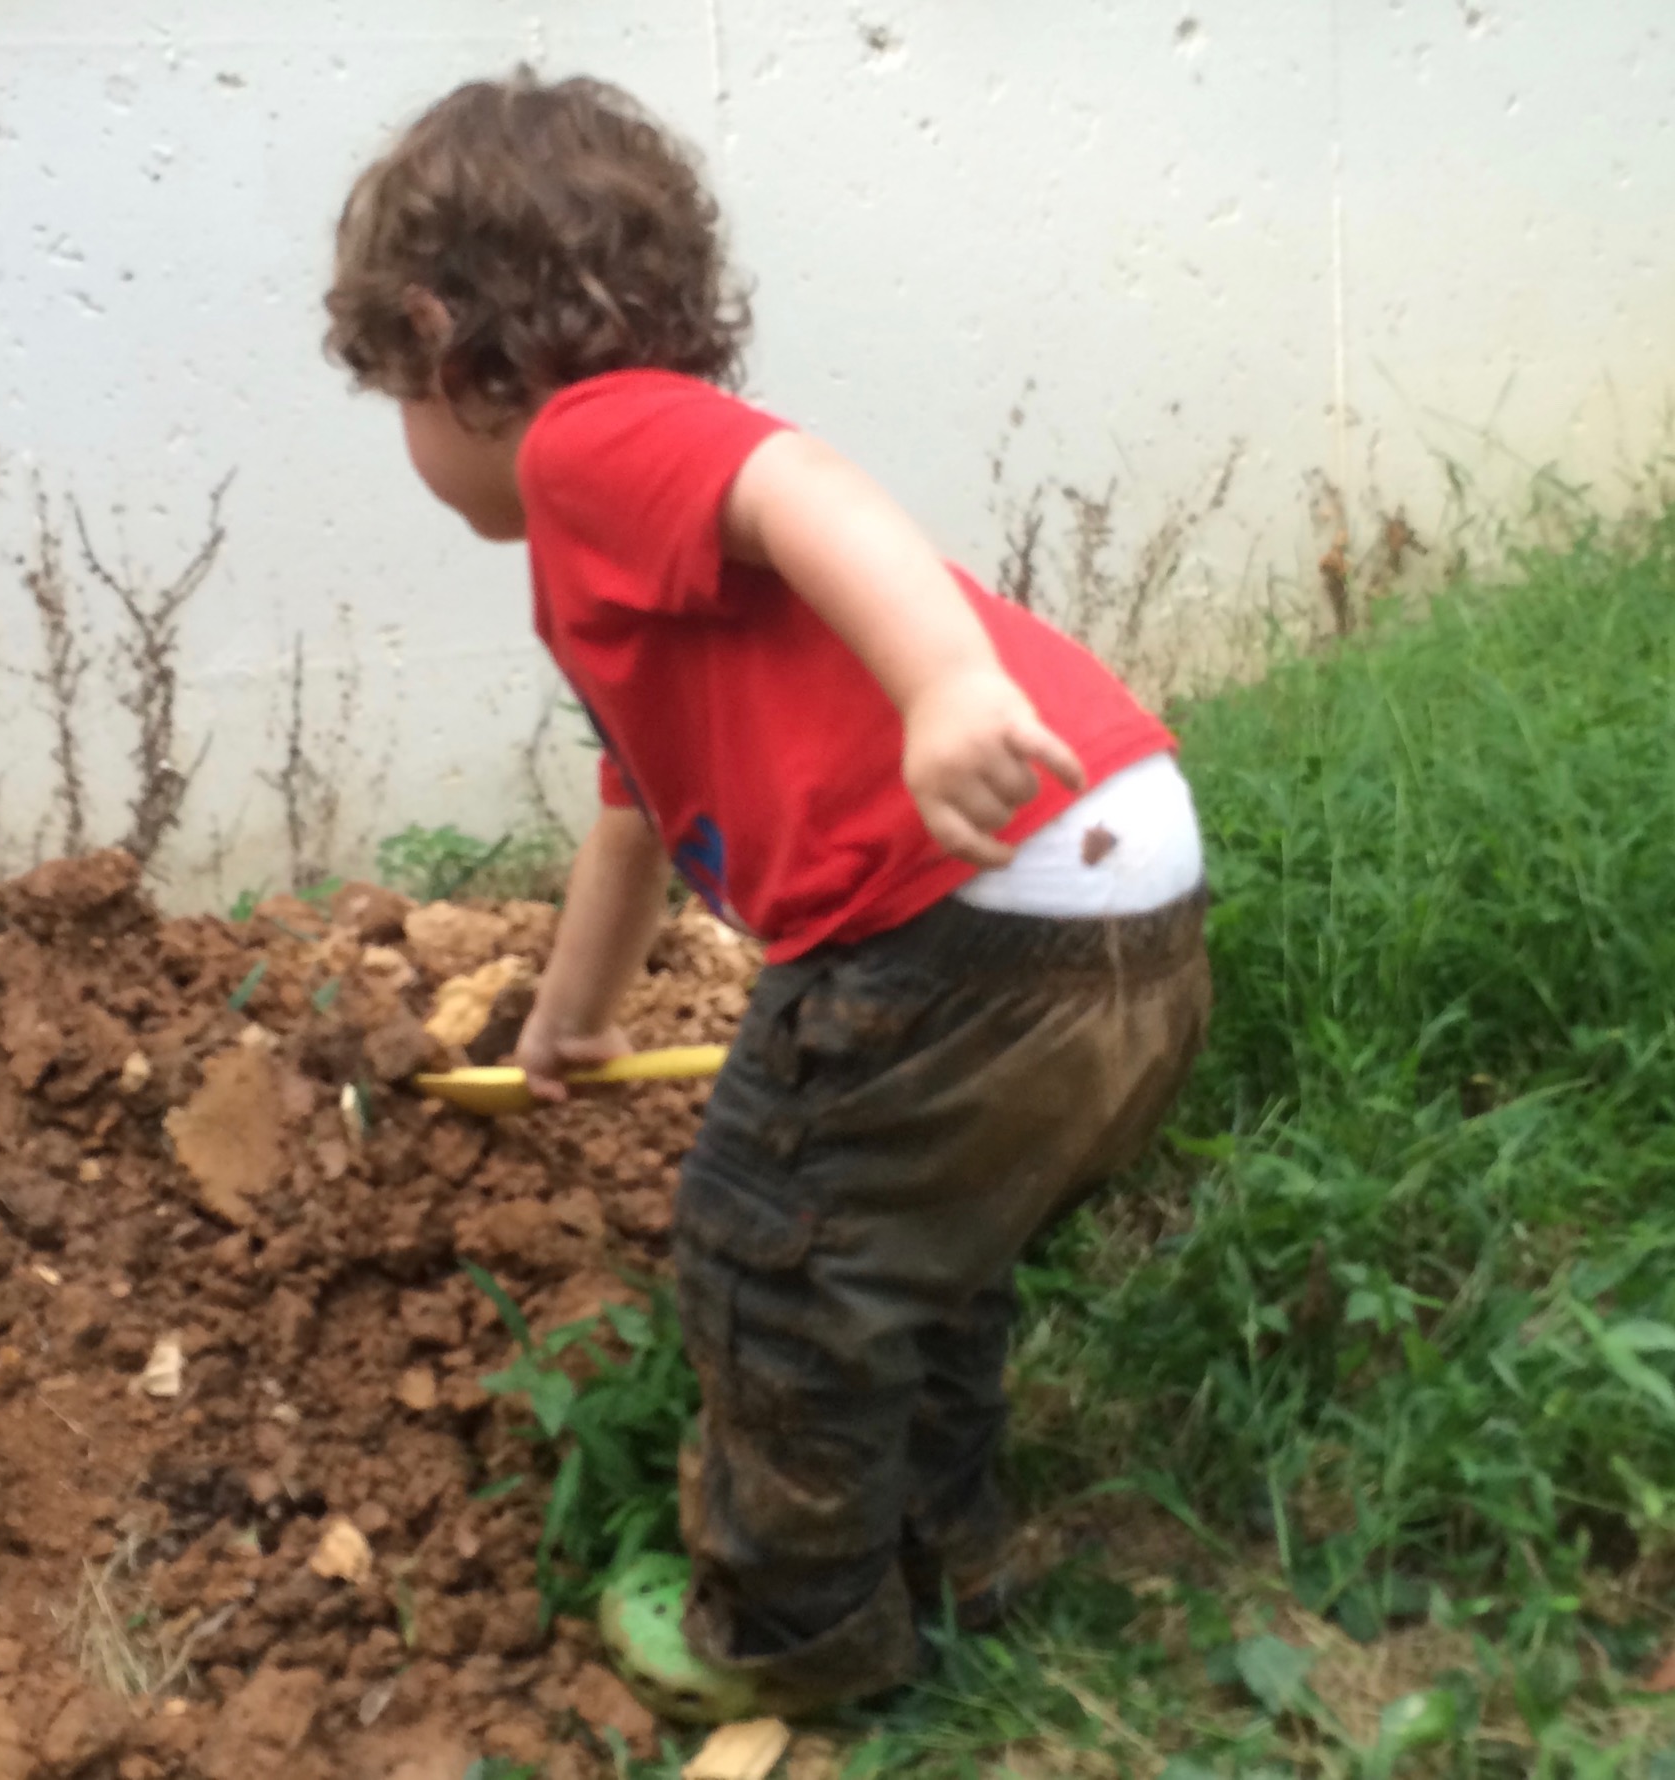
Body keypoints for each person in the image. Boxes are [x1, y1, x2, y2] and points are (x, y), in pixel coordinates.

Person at [326, 70, 1212, 1721]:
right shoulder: (630, 560)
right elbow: (638, 812)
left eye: (395, 393)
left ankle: (793, 1640)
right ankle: (952, 1560)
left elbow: (800, 484)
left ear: (444, 346)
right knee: (917, 1256)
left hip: (964, 896)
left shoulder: (591, 437)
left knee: (772, 1262)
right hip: (1113, 885)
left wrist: (941, 686)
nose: (408, 436)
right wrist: (569, 1023)